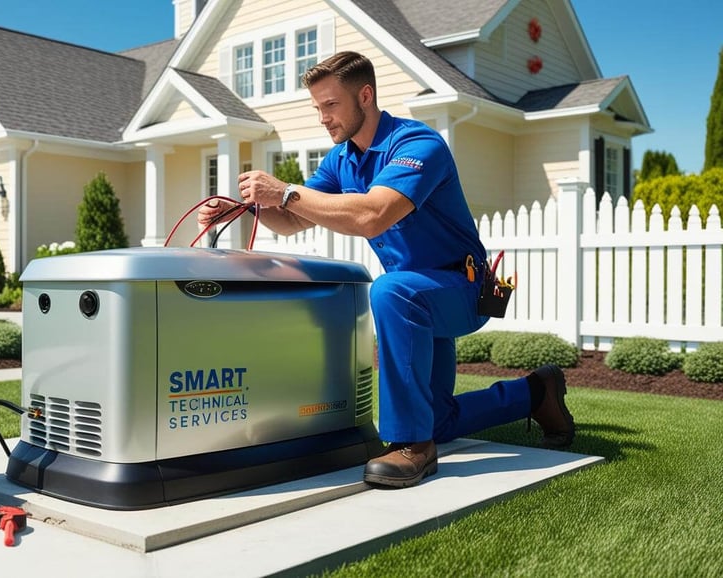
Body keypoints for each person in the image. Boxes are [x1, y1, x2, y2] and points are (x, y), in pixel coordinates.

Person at [198, 51, 575, 489]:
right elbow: (293, 220)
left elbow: (373, 214)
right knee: (440, 418)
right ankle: (537, 392)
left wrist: (283, 192)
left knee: (391, 291)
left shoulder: (418, 144)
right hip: (415, 298)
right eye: (317, 107)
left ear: (365, 95)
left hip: (461, 288)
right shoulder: (343, 160)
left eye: (331, 105)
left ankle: (410, 444)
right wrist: (243, 209)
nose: (323, 118)